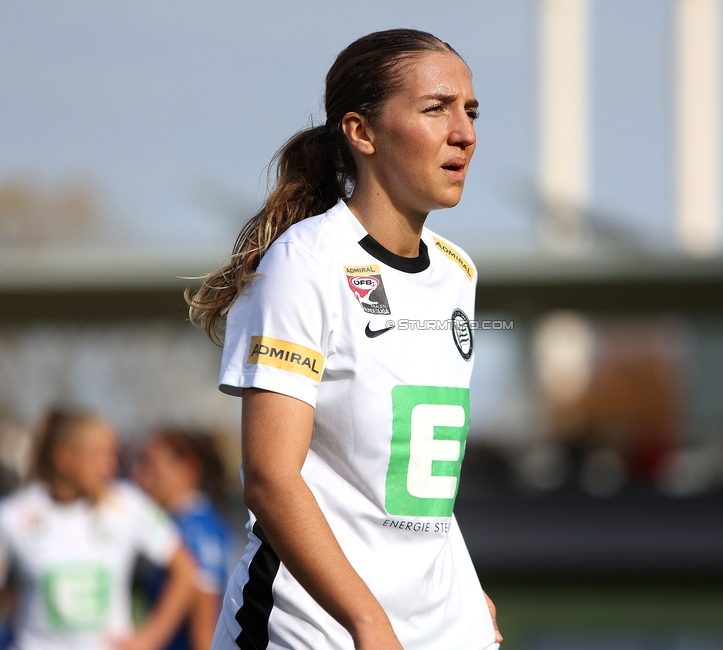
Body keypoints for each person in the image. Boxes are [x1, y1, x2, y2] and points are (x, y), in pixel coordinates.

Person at [186, 28, 502, 650]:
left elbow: (403, 478)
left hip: (441, 627)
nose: (463, 131)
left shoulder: (457, 271)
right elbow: (272, 480)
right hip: (315, 630)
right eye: (436, 109)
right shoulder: (304, 264)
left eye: (469, 111)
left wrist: (463, 591)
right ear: (361, 132)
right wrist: (366, 622)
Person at [0, 410, 196, 650]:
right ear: (63, 457)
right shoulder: (11, 515)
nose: (111, 466)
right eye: (100, 455)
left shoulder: (128, 505)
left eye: (112, 454)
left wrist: (149, 638)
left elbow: (186, 573)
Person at [132, 430, 232, 650]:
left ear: (188, 469)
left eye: (151, 466)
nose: (140, 475)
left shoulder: (195, 529)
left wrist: (149, 639)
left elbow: (205, 605)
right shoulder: (173, 523)